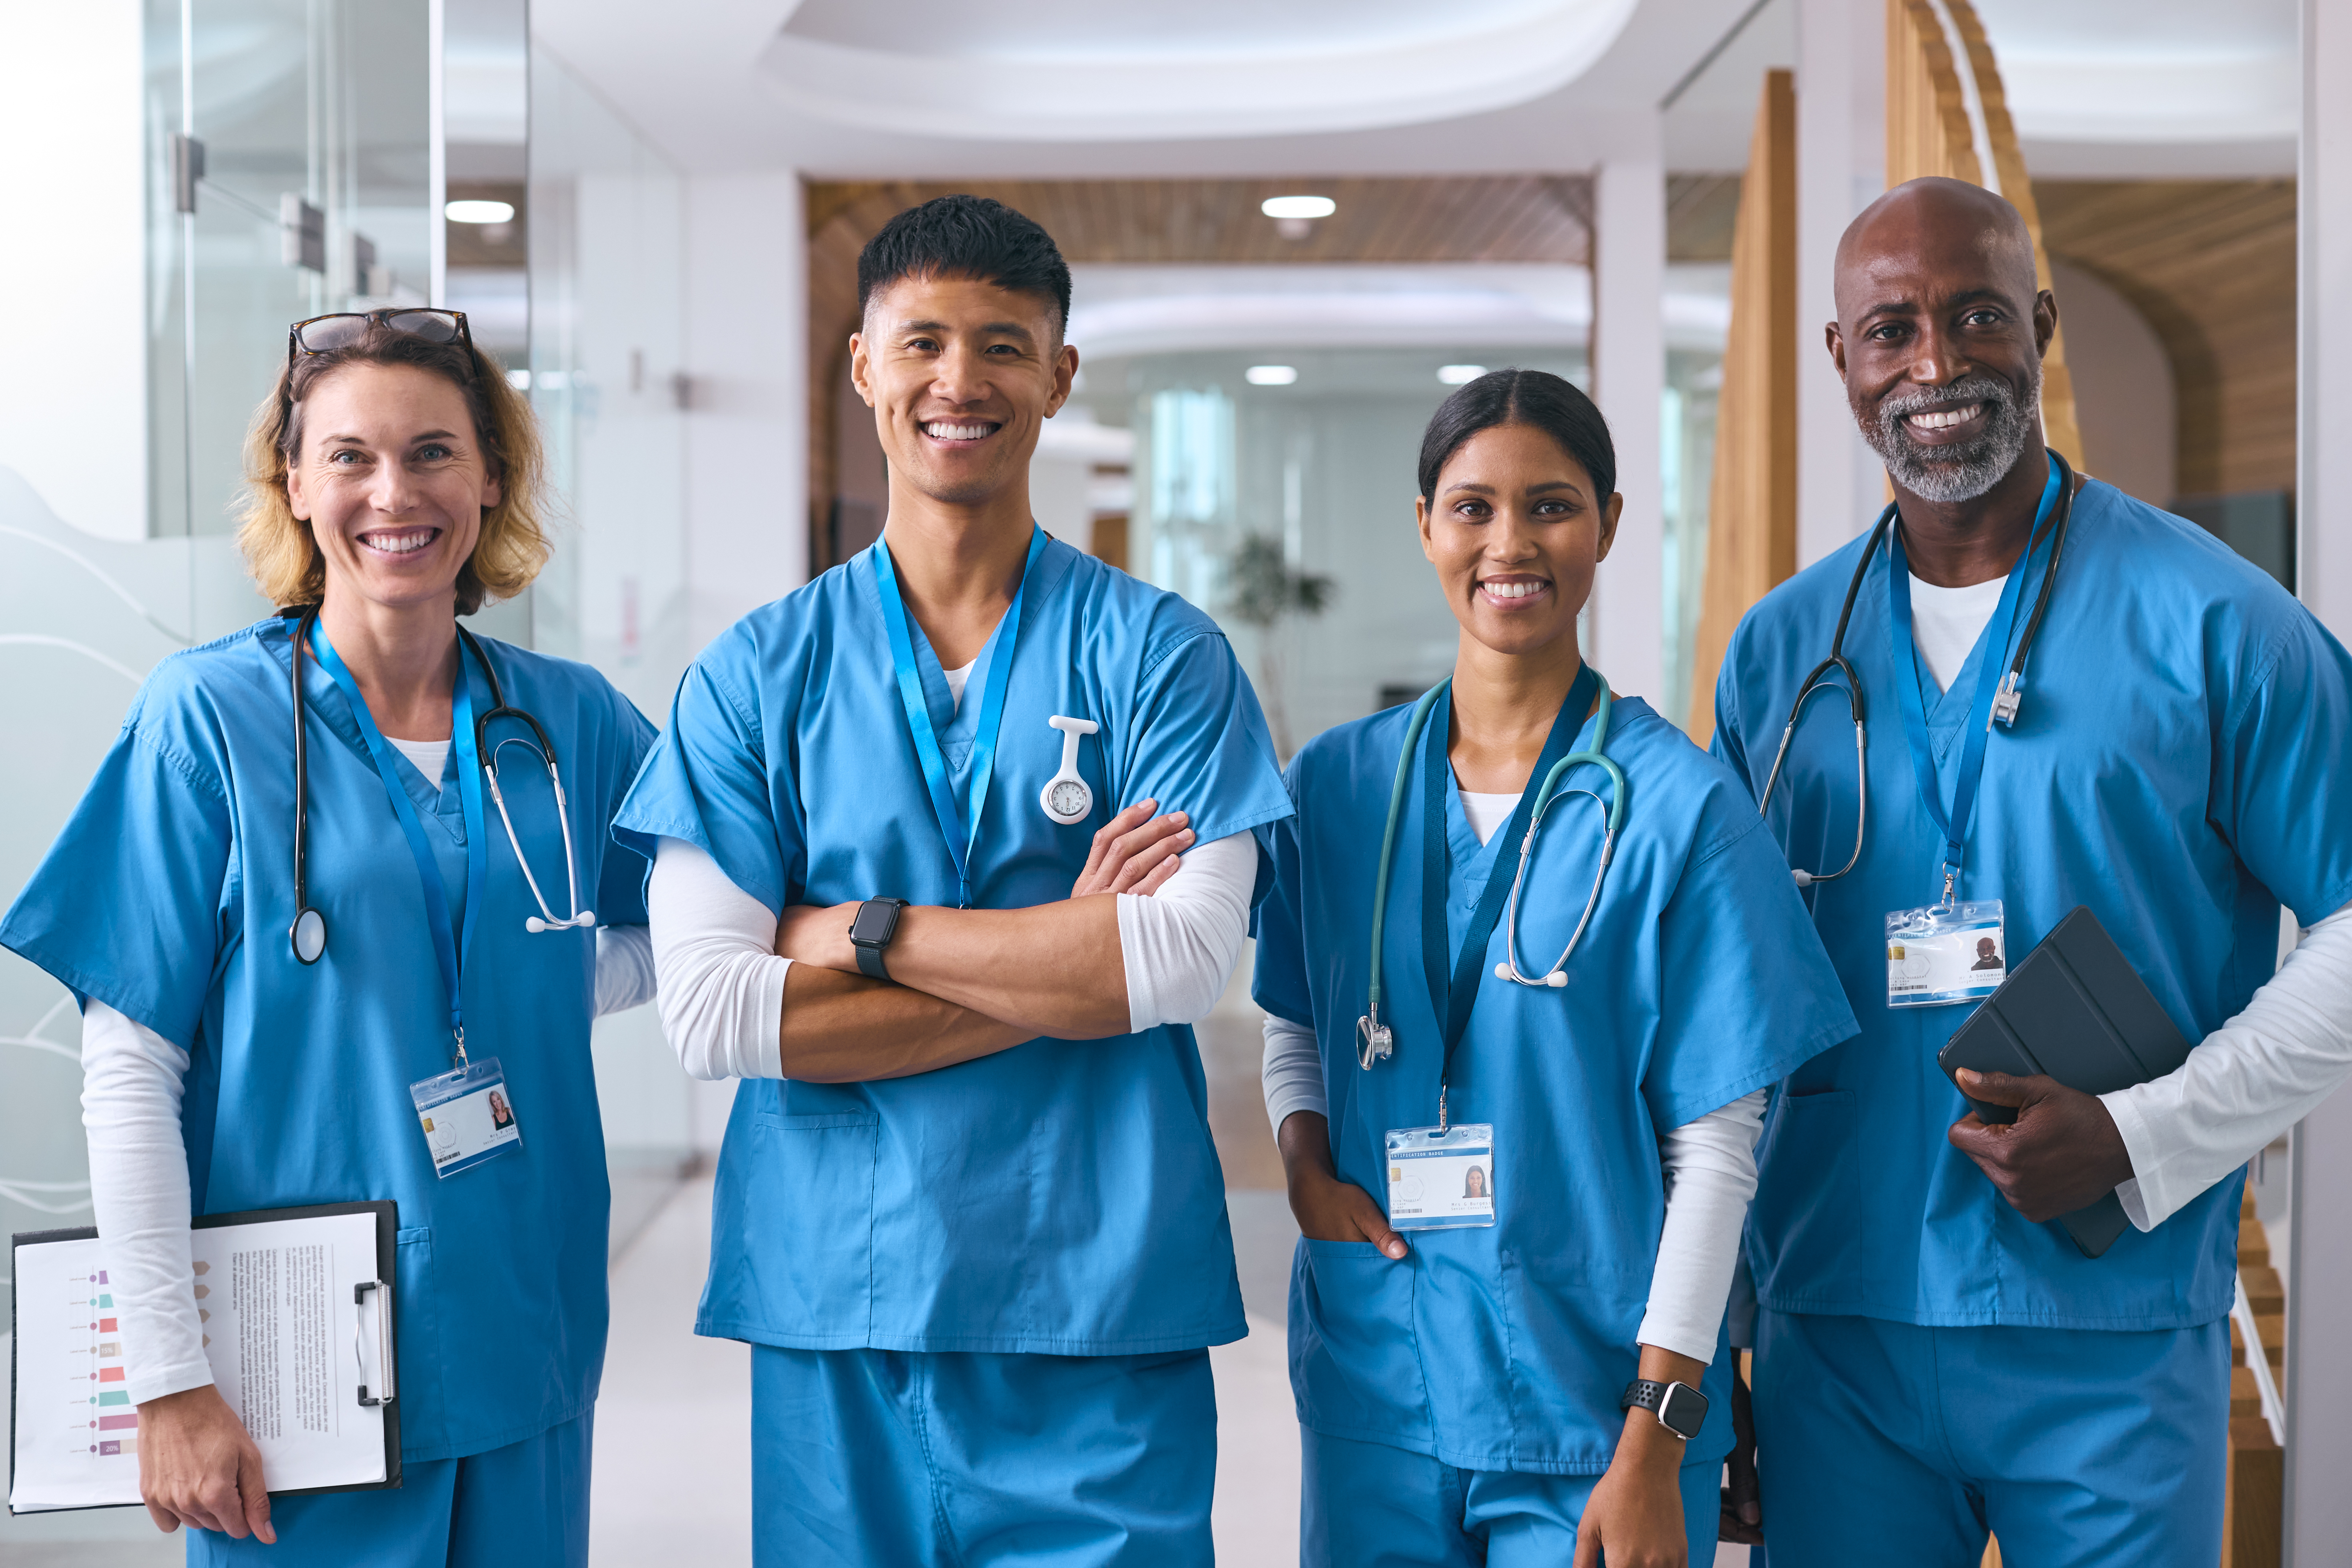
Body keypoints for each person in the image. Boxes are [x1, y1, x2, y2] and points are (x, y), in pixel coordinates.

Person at [615, 195, 1292, 1565]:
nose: (958, 380)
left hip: (1097, 1298)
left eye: (1001, 343)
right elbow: (709, 1018)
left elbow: (1175, 968)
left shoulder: (1163, 660)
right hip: (838, 1313)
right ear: (862, 367)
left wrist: (863, 932)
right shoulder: (755, 677)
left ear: (1059, 374)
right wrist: (1071, 957)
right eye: (920, 341)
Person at [1710, 176, 2352, 1565]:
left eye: (1976, 315)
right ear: (1840, 359)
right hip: (1838, 1328)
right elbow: (1730, 1016)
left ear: (2041, 326)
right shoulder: (1778, 655)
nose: (1933, 364)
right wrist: (1721, 1346)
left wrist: (2150, 1131)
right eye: (1890, 330)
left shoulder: (2224, 624)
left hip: (2108, 1332)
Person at [0, 309, 659, 1565]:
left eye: (432, 452)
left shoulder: (570, 721)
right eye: (349, 456)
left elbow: (682, 935)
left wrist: (553, 969)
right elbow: (133, 1067)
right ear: (294, 484)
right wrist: (168, 1380)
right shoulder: (206, 718)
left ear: (491, 480)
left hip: (525, 1330)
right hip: (291, 1379)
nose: (393, 492)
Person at [1254, 369, 1856, 1568]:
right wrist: (1303, 1158)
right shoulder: (1335, 784)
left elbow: (1719, 1152)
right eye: (1473, 507)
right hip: (1383, 1383)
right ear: (1425, 524)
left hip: (1593, 1409)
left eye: (1552, 505)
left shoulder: (1684, 806)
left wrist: (1656, 1434)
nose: (1510, 543)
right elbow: (1298, 1022)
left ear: (1611, 525)